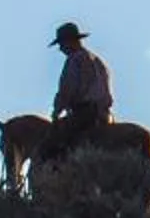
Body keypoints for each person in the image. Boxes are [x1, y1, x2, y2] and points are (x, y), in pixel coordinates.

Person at [47, 21, 113, 157]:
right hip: (104, 114)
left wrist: (57, 110)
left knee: (53, 142)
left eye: (61, 44)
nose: (60, 48)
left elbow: (68, 88)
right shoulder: (98, 61)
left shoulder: (74, 60)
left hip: (85, 113)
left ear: (70, 41)